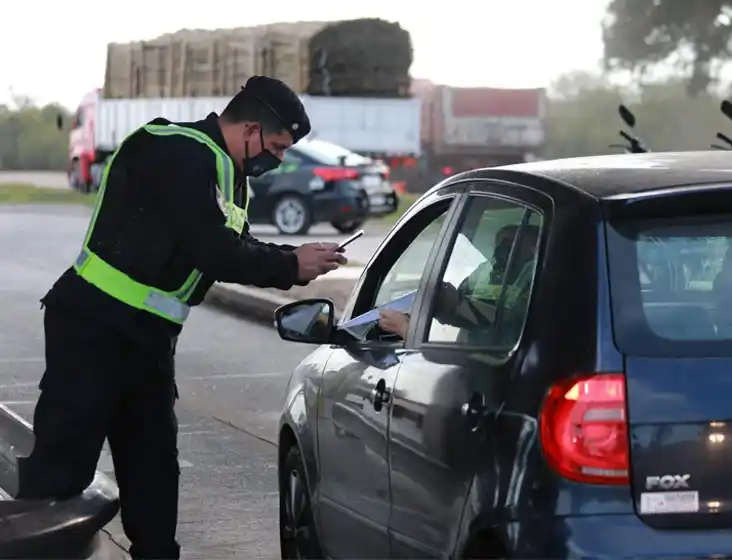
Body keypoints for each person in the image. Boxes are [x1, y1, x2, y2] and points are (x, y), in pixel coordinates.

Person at [15, 76, 346, 560]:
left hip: (148, 343)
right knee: (60, 477)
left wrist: (295, 256)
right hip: (94, 329)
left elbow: (238, 246)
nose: (277, 159)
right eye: (275, 147)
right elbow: (209, 248)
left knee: (153, 475)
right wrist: (290, 266)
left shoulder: (231, 177)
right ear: (250, 128)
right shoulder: (178, 150)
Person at [378, 224, 539, 343]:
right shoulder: (484, 271)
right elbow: (463, 297)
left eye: (511, 243)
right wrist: (451, 304)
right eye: (500, 242)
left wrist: (407, 329)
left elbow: (509, 326)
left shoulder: (535, 280)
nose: (502, 248)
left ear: (534, 249)